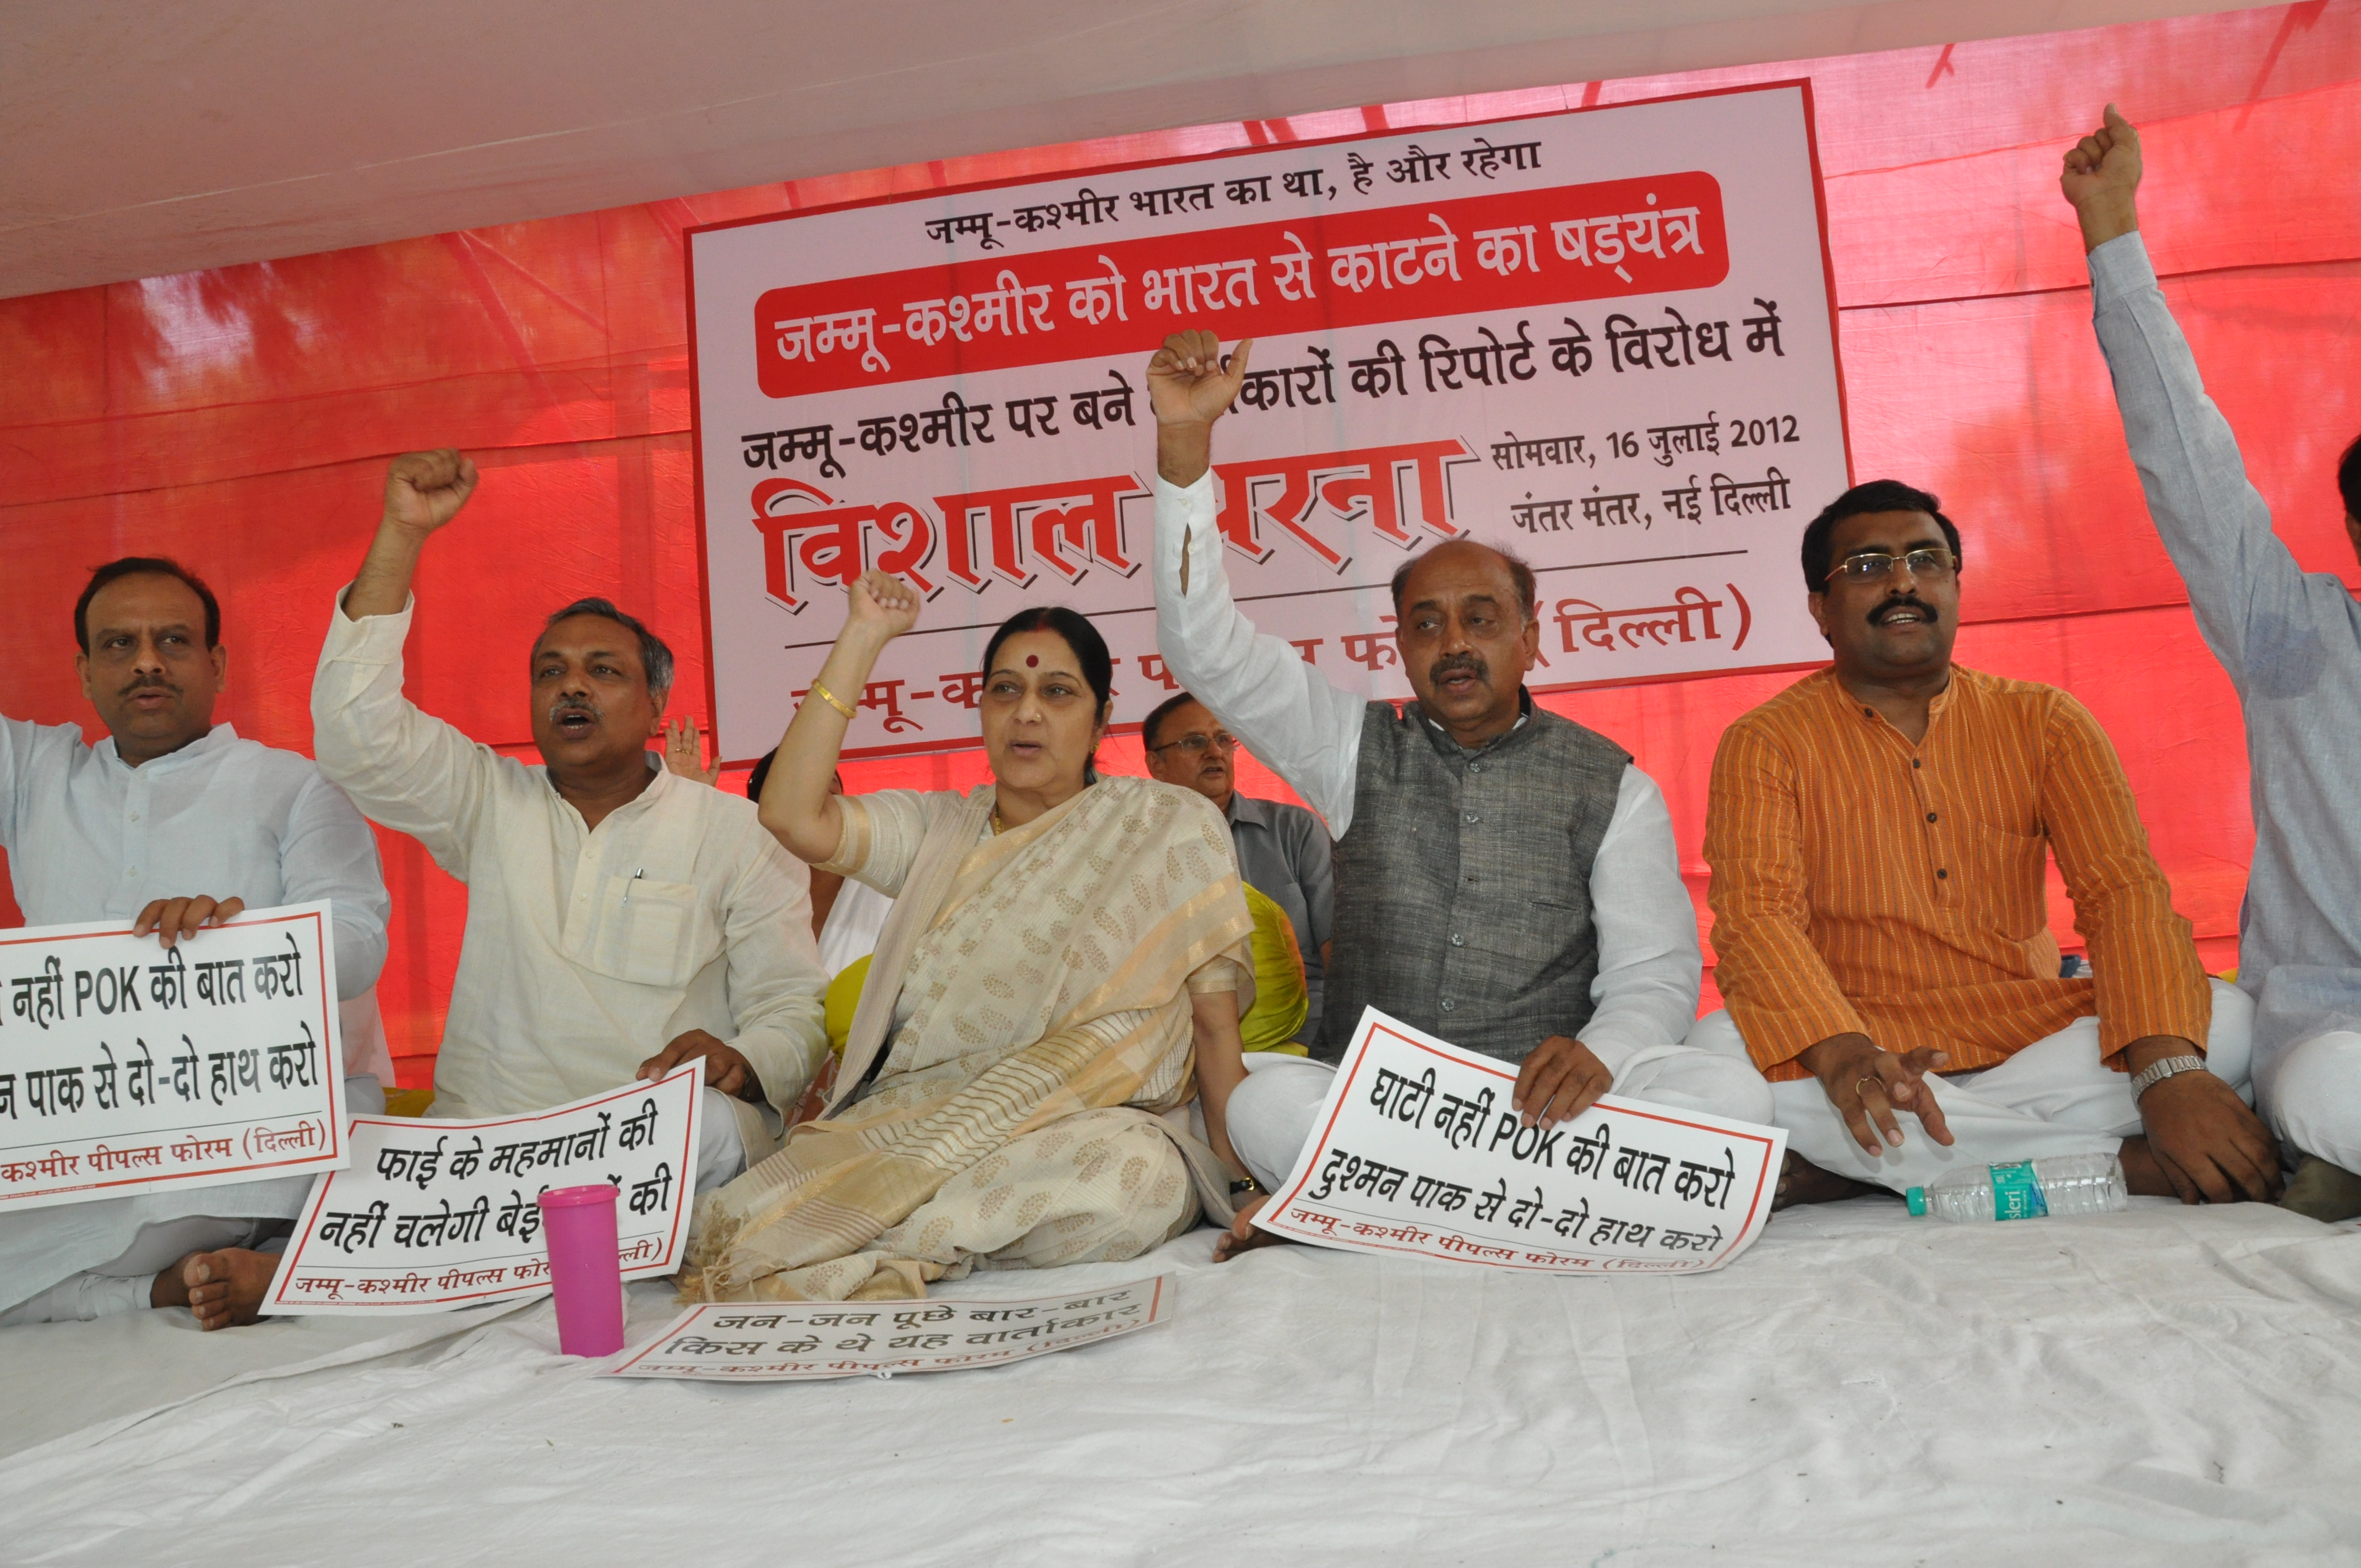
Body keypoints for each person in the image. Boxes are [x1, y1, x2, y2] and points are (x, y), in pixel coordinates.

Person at [1143, 330, 1774, 1261]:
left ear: (1530, 636)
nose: (1454, 645)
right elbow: (1204, 647)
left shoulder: (1612, 783)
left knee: (1730, 1083)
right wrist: (1184, 446)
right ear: (1397, 647)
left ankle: (1389, 1211)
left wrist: (1599, 1053)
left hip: (1546, 1106)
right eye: (1426, 625)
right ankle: (1539, 1212)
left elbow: (1651, 973)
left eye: (1481, 619)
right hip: (1390, 1102)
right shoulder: (1351, 747)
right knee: (1260, 1100)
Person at [1691, 477, 2280, 1207]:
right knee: (1711, 1063)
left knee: (2230, 1024)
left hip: (2029, 1032)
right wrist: (1843, 1053)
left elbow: (2122, 891)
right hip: (1860, 1042)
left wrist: (2165, 1072)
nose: (1904, 581)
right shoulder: (1767, 742)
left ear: (1956, 588)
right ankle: (2119, 1167)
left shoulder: (2045, 721)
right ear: (1821, 606)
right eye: (1869, 566)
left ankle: (1856, 1169)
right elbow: (1758, 922)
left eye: (1927, 560)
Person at [677, 575, 1258, 1303]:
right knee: (733, 1215)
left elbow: (1212, 1024)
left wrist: (1241, 1188)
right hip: (919, 1118)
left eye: (1058, 694)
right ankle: (889, 1230)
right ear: (981, 708)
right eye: (1005, 691)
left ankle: (867, 1239)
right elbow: (791, 814)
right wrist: (861, 637)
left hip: (1081, 1126)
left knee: (1136, 1181)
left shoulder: (1171, 826)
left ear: (1103, 715)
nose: (1028, 714)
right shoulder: (938, 831)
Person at [312, 450, 826, 1192]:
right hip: (496, 1135)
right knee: (357, 1157)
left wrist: (739, 1061)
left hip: (646, 1131)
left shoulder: (737, 832)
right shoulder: (489, 803)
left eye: (603, 671)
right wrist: (401, 533)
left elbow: (793, 1006)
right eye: (550, 671)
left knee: (709, 1128)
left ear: (656, 708)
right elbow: (354, 727)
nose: (572, 685)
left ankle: (524, 1245)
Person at [2064, 106, 2361, 1220]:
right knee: (2333, 1091)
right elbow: (2185, 462)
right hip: (2336, 1029)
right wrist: (2110, 230)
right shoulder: (2298, 642)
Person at [0, 557, 391, 1331]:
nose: (146, 661)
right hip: (89, 1137)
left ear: (217, 665)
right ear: (83, 672)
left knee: (178, 1213)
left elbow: (357, 942)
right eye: (118, 645)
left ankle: (241, 1255)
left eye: (173, 640)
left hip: (247, 1133)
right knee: (117, 1220)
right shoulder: (39, 775)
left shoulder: (292, 786)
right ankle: (164, 1289)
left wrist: (231, 939)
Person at [1141, 691, 1333, 1049]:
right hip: (1189, 1052)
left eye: (1224, 739)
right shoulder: (1138, 852)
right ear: (1156, 764)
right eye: (1194, 742)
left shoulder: (1294, 830)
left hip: (1308, 1042)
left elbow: (1340, 952)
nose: (1214, 752)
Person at [661, 725, 895, 977]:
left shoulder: (882, 884)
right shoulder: (739, 880)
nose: (818, 804)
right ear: (762, 813)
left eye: (830, 789)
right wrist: (688, 809)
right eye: (799, 791)